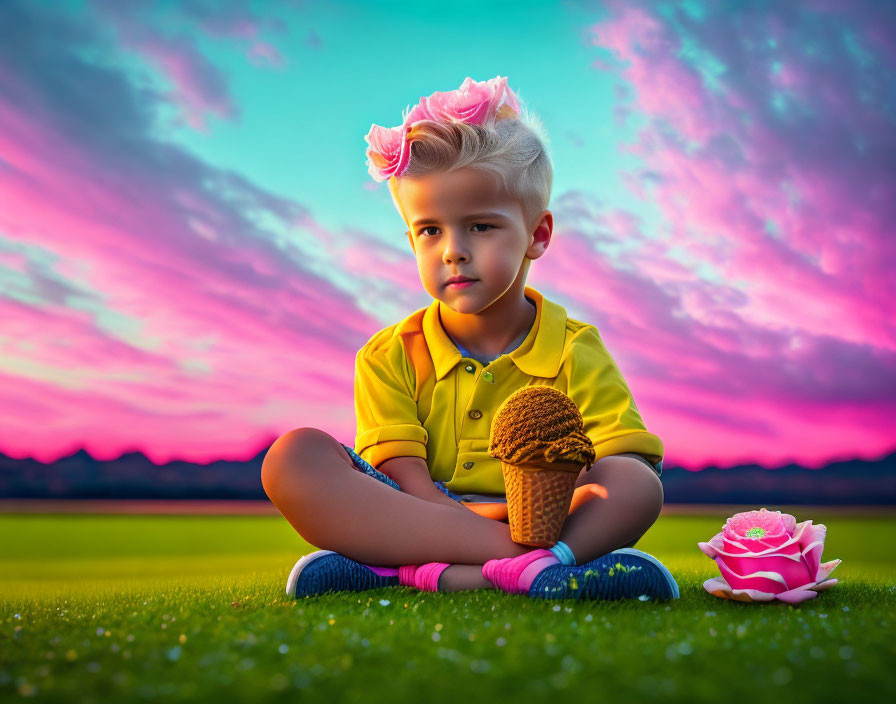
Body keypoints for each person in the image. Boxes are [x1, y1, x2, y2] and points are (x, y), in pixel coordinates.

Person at [261, 76, 679, 601]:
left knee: (637, 482)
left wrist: (550, 511)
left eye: (480, 227)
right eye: (430, 230)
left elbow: (622, 456)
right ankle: (535, 572)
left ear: (537, 235)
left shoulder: (575, 348)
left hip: (546, 520)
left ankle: (404, 572)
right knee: (293, 458)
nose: (453, 251)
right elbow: (402, 475)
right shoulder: (389, 353)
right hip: (420, 512)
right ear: (411, 239)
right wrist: (468, 525)